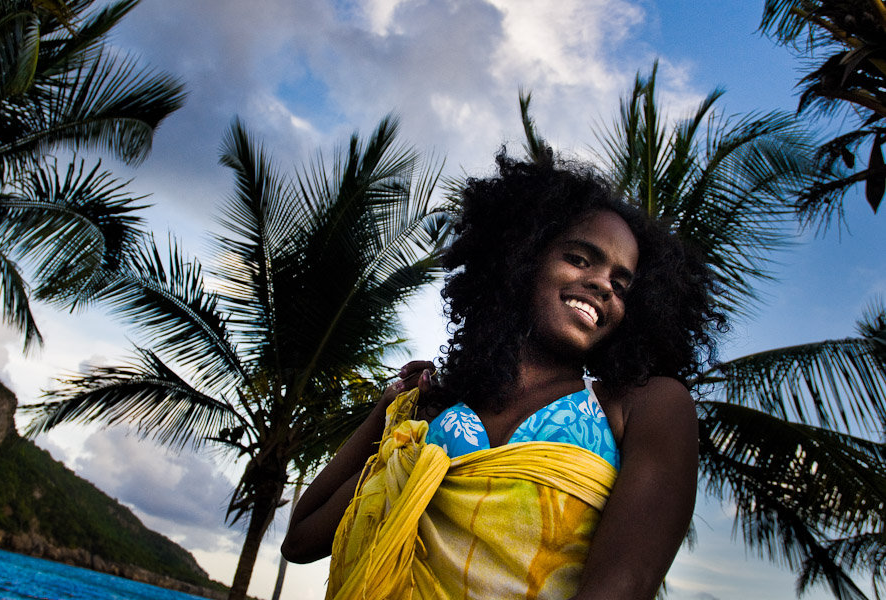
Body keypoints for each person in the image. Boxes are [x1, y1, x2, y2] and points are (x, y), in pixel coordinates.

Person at [282, 151, 725, 600]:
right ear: (522, 257)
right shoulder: (435, 413)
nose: (602, 285)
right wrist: (388, 414)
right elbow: (301, 539)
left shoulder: (644, 407)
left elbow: (623, 587)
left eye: (620, 284)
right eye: (579, 258)